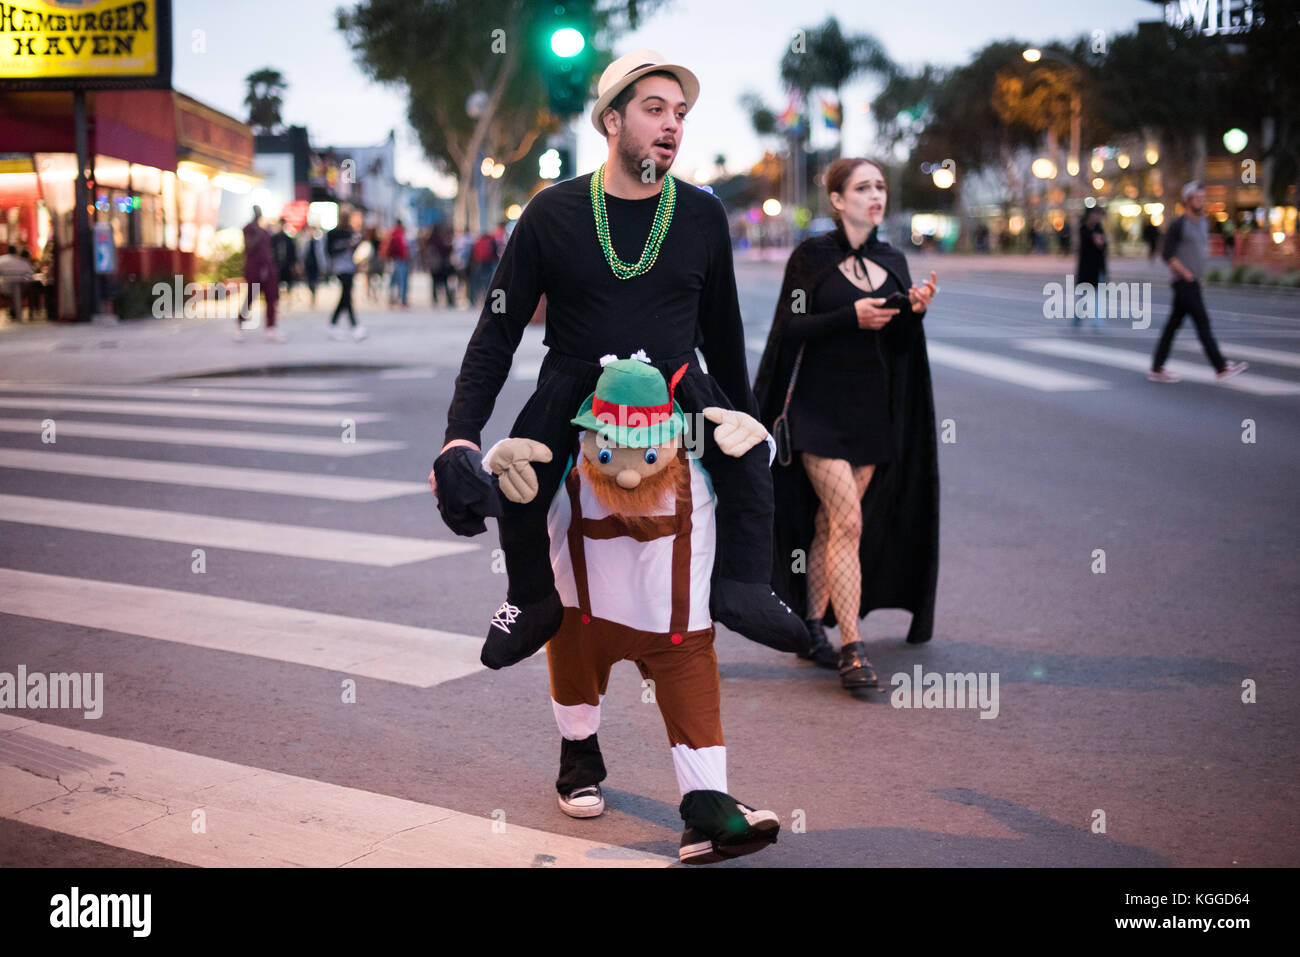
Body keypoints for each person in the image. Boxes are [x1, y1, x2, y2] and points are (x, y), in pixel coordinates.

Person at [430, 49, 810, 677]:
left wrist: (746, 422)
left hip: (678, 391)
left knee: (748, 465)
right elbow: (496, 331)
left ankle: (744, 586)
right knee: (522, 476)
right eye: (654, 110)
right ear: (611, 121)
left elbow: (723, 330)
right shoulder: (552, 213)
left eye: (680, 114)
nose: (672, 126)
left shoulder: (702, 214)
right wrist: (458, 437)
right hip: (575, 390)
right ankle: (528, 599)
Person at [487, 358, 781, 862]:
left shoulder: (698, 466)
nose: (626, 474)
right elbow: (508, 476)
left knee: (696, 708)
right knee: (575, 685)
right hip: (585, 614)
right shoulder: (564, 463)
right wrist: (493, 458)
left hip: (676, 626)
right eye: (610, 451)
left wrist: (759, 436)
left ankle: (707, 811)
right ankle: (579, 759)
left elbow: (752, 463)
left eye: (646, 453)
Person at [754, 157, 940, 697]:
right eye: (863, 188)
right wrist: (849, 317)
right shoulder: (812, 256)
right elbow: (790, 327)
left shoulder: (893, 258)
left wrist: (915, 311)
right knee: (848, 521)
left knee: (832, 526)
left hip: (872, 414)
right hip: (816, 411)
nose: (875, 195)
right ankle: (853, 646)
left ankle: (813, 627)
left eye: (880, 186)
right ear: (837, 200)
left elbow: (901, 347)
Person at [1148, 182, 1247, 383]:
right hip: (1184, 282)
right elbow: (1167, 254)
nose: (1202, 202)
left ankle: (1157, 367)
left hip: (1193, 282)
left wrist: (1198, 277)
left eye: (1204, 198)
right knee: (1203, 323)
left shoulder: (1203, 223)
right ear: (1187, 201)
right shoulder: (1179, 224)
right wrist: (1186, 274)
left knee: (1172, 326)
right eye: (1198, 199)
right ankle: (1220, 367)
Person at [236, 206, 284, 342]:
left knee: (271, 297)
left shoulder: (264, 231)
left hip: (267, 269)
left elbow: (269, 250)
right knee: (251, 297)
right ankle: (239, 325)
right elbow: (249, 246)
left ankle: (271, 328)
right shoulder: (250, 229)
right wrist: (257, 235)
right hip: (254, 269)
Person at [327, 208, 367, 341]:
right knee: (347, 296)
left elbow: (354, 250)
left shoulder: (350, 232)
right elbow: (330, 251)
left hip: (349, 266)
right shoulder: (333, 233)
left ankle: (334, 323)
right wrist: (345, 245)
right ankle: (354, 325)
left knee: (346, 296)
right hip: (339, 267)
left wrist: (356, 242)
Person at [1075, 207, 1107, 329]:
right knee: (1083, 297)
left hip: (1098, 268)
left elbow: (1103, 247)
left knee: (1099, 297)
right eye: (1094, 215)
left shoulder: (1099, 229)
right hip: (1086, 269)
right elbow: (1088, 246)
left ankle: (1097, 323)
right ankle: (1077, 319)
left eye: (1097, 215)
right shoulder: (1083, 229)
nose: (1096, 217)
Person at [0, 244, 35, 321]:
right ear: (15, 251)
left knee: (10, 295)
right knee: (17, 293)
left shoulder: (1, 260)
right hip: (22, 286)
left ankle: (13, 310)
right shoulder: (22, 261)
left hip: (6, 287)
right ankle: (15, 311)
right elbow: (31, 272)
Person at [271, 218, 298, 308]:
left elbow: (293, 253)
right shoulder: (274, 239)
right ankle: (277, 301)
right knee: (277, 283)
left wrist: (294, 265)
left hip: (287, 265)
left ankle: (288, 300)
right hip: (277, 264)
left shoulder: (289, 239)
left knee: (289, 282)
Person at [386, 219, 410, 308]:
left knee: (393, 280)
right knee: (402, 281)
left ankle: (392, 298)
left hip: (395, 260)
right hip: (400, 260)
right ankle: (402, 300)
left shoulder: (392, 233)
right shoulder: (399, 234)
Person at [302, 226, 322, 308]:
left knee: (315, 281)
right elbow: (302, 254)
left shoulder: (318, 243)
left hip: (315, 264)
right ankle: (312, 295)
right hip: (308, 265)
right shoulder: (306, 243)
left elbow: (320, 255)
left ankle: (313, 297)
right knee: (309, 282)